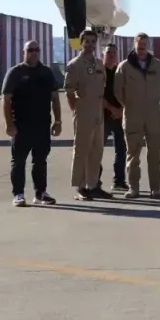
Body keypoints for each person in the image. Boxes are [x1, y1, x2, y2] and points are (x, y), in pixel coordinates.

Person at [1, 39, 61, 207]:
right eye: (30, 50)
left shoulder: (46, 72)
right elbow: (6, 99)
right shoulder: (15, 72)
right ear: (24, 52)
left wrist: (58, 121)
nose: (34, 53)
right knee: (19, 161)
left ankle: (40, 193)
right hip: (21, 125)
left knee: (40, 160)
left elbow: (55, 98)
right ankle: (18, 194)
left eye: (36, 50)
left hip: (42, 124)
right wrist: (9, 124)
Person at [114, 33, 160, 199]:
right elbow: (117, 91)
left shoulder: (157, 65)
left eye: (145, 43)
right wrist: (130, 105)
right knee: (133, 154)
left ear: (148, 45)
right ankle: (133, 188)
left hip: (153, 114)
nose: (142, 46)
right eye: (139, 43)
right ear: (134, 44)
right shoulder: (124, 66)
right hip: (132, 114)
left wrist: (151, 102)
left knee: (155, 154)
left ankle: (155, 188)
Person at [63, 29, 109, 201]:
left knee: (97, 150)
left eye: (93, 41)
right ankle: (80, 186)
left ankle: (93, 185)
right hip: (84, 111)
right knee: (82, 149)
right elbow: (69, 91)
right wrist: (76, 108)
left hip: (98, 112)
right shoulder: (75, 65)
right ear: (81, 43)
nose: (90, 45)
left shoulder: (99, 64)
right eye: (87, 41)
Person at [99, 43, 128, 193]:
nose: (111, 55)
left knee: (121, 150)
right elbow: (98, 96)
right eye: (108, 52)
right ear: (103, 55)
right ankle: (95, 181)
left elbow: (126, 92)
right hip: (102, 117)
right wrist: (112, 109)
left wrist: (122, 110)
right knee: (98, 150)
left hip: (119, 117)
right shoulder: (99, 72)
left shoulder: (119, 72)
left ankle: (119, 181)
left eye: (113, 53)